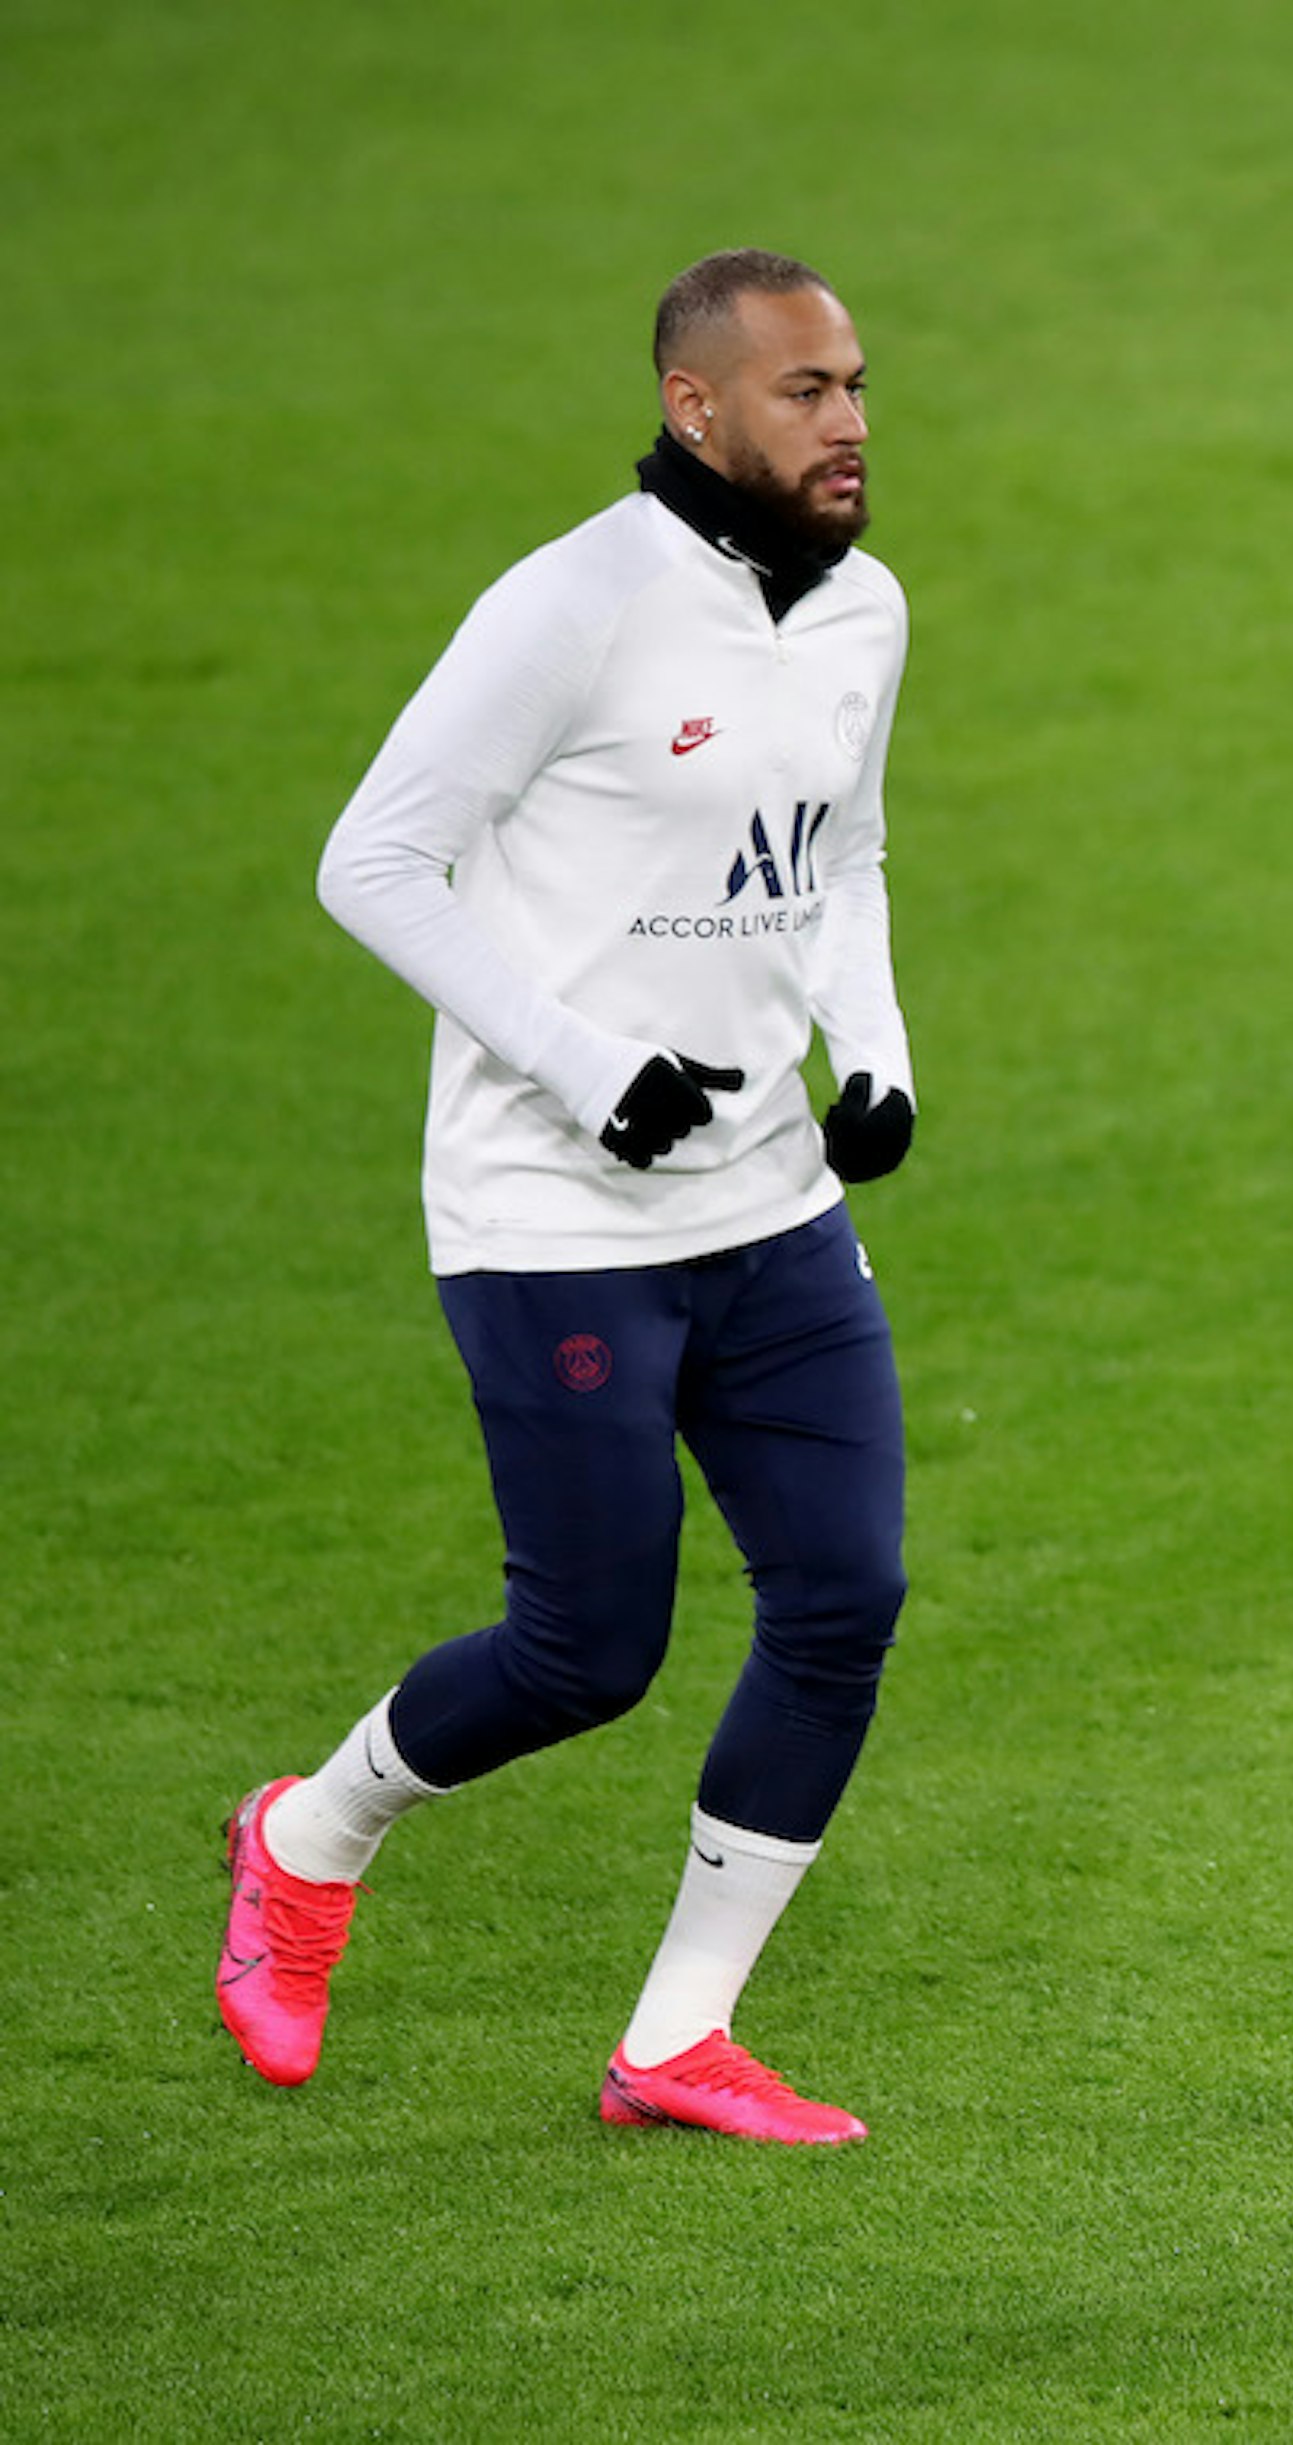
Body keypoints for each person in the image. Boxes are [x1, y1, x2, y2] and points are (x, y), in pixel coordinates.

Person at [221, 249, 923, 2146]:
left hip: (767, 1204)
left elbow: (840, 855)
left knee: (844, 1592)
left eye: (856, 383)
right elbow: (374, 861)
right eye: (805, 392)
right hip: (558, 1215)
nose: (849, 419)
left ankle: (678, 2040)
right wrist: (583, 1064)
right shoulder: (578, 603)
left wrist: (875, 1051)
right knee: (584, 1653)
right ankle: (305, 1834)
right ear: (699, 409)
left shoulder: (863, 613)